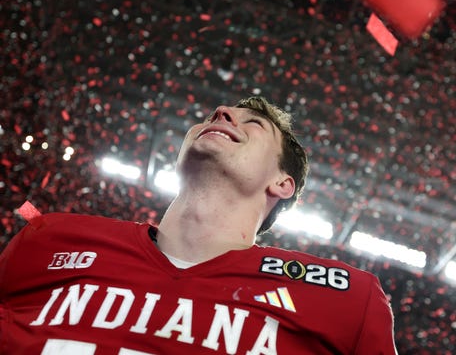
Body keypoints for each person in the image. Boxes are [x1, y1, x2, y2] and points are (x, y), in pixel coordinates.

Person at [0, 96, 397, 354]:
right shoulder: (49, 239)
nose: (222, 113)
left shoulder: (345, 299)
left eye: (254, 123)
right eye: (215, 115)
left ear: (282, 183)